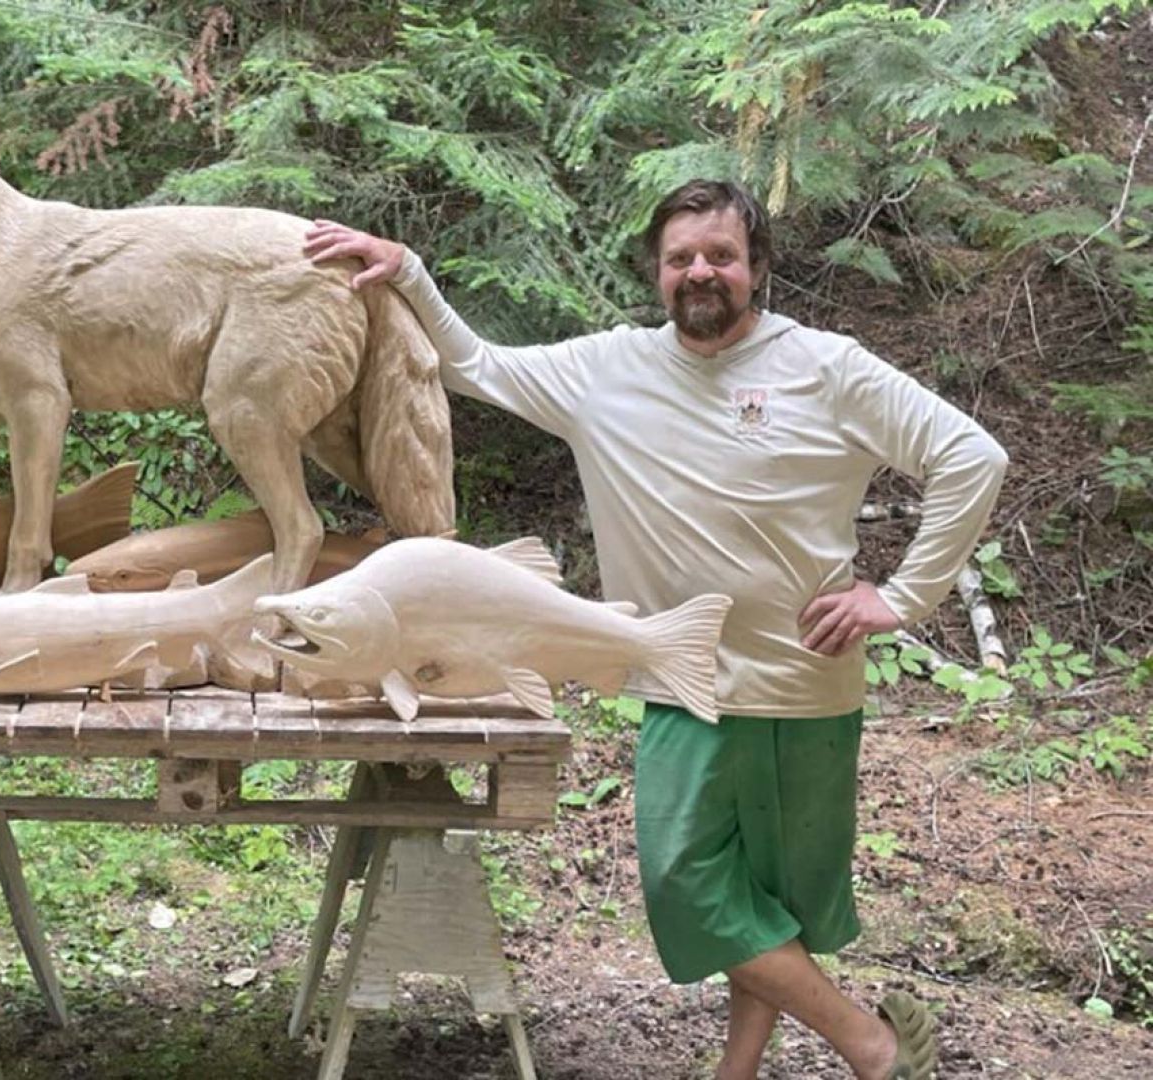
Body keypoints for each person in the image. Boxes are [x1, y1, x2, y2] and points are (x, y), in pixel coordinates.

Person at [304, 179, 1006, 1080]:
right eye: (681, 259)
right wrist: (409, 273)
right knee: (686, 884)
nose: (700, 272)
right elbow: (478, 364)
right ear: (657, 272)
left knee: (768, 901)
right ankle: (874, 1047)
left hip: (800, 683)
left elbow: (971, 457)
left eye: (720, 255)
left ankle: (737, 1072)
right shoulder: (608, 371)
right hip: (677, 676)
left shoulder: (829, 367)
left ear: (757, 267)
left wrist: (903, 596)